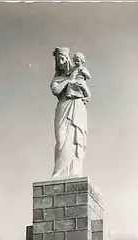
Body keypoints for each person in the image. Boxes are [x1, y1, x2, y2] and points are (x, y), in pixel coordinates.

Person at [50, 47, 89, 178]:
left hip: (77, 105)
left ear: (67, 59)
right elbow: (56, 90)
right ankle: (59, 171)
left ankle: (75, 171)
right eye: (58, 60)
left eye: (62, 59)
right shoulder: (57, 78)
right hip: (63, 107)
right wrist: (68, 79)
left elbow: (85, 84)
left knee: (75, 137)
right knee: (61, 140)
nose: (60, 62)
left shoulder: (77, 71)